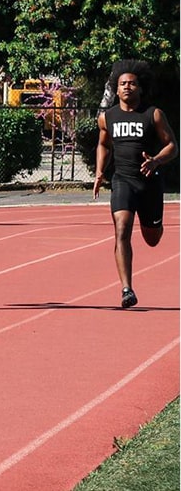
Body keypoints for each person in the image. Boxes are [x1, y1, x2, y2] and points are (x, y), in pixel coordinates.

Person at [92, 59, 175, 308]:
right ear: (116, 89)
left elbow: (172, 146)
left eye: (132, 83)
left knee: (152, 238)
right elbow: (104, 145)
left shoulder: (153, 114)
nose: (127, 87)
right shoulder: (107, 118)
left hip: (149, 184)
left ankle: (155, 225)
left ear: (140, 87)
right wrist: (99, 172)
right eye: (122, 84)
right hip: (122, 181)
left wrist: (156, 161)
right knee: (121, 229)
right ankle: (126, 288)